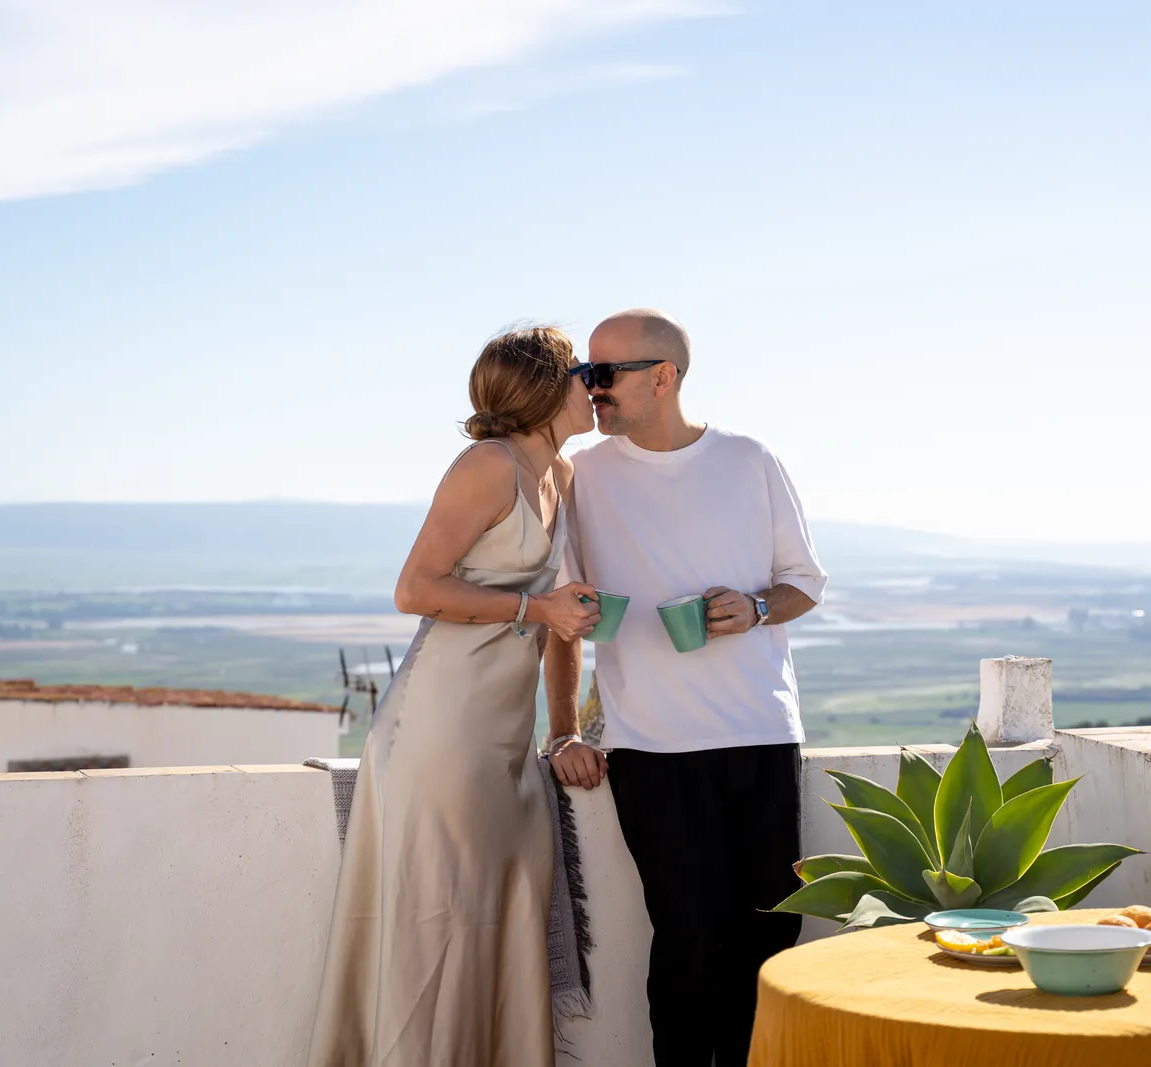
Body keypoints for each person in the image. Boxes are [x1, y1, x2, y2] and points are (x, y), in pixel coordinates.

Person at [307, 325, 601, 1067]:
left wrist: (563, 731)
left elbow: (566, 618)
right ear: (545, 386)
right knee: (437, 923)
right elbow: (415, 588)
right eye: (582, 372)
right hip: (442, 725)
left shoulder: (561, 476)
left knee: (496, 920)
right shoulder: (487, 466)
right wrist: (538, 611)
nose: (593, 385)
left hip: (503, 738)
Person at [546, 309, 827, 1067]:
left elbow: (805, 583)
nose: (590, 390)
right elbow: (562, 615)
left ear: (662, 377)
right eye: (585, 374)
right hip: (651, 747)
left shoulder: (750, 460)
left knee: (769, 932)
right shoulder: (582, 477)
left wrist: (756, 606)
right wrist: (564, 729)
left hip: (762, 733)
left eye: (603, 374)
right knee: (689, 937)